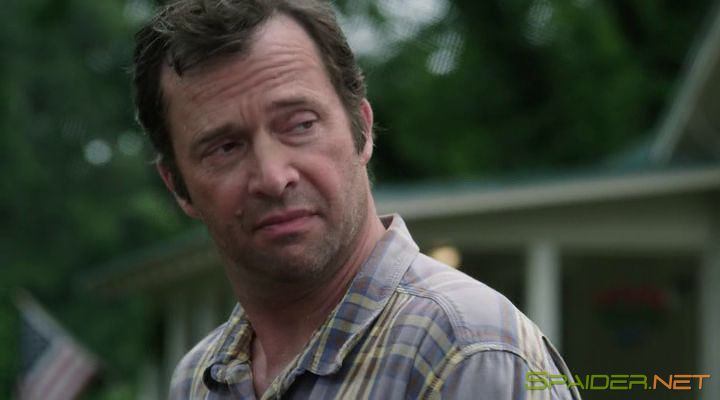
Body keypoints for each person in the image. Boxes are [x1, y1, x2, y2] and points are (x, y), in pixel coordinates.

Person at [132, 0, 581, 398]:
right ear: (177, 185)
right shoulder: (198, 378)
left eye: (300, 124)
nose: (273, 177)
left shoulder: (467, 352)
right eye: (225, 147)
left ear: (362, 130)